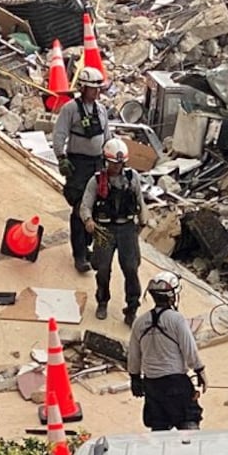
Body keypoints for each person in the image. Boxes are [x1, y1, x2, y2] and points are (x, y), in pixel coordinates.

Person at [79, 138, 147, 324]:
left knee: (131, 269)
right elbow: (85, 205)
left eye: (119, 164)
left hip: (126, 228)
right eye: (112, 164)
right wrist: (88, 220)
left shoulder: (132, 178)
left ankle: (132, 307)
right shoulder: (96, 181)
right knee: (102, 269)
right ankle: (102, 301)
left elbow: (140, 202)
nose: (116, 167)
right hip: (104, 229)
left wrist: (142, 223)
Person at [127, 271, 206, 431]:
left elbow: (134, 356)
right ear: (173, 296)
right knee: (189, 424)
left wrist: (135, 378)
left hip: (152, 385)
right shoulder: (176, 319)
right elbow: (189, 350)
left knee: (159, 430)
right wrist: (200, 371)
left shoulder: (139, 322)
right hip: (176, 383)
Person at [53, 67, 112, 273]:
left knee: (95, 207)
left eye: (98, 88)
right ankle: (79, 255)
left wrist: (110, 158)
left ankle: (87, 246)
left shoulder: (102, 110)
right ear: (83, 88)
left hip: (97, 164)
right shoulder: (70, 109)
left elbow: (107, 137)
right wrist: (61, 157)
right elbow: (59, 134)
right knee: (79, 208)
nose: (97, 92)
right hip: (78, 165)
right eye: (93, 88)